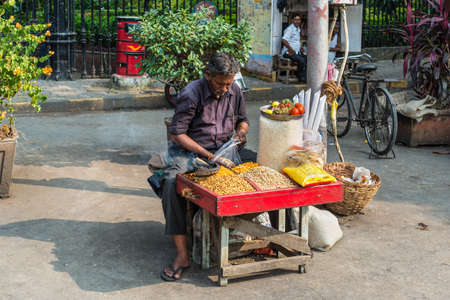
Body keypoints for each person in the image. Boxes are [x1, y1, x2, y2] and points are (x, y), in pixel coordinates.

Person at [157, 52, 249, 281]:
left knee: (259, 168)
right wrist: (209, 155)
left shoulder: (233, 90)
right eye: (220, 83)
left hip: (225, 149)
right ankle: (182, 254)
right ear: (207, 75)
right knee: (170, 183)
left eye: (228, 83)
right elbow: (177, 133)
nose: (224, 89)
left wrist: (241, 133)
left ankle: (250, 237)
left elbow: (243, 120)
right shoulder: (192, 93)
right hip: (190, 152)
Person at [281, 13, 307, 82]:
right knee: (301, 60)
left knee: (306, 58)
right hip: (287, 52)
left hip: (295, 52)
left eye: (298, 20)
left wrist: (300, 48)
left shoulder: (298, 29)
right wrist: (291, 50)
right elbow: (284, 40)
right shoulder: (290, 29)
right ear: (293, 20)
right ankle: (300, 77)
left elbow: (296, 41)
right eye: (295, 19)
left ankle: (302, 76)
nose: (297, 21)